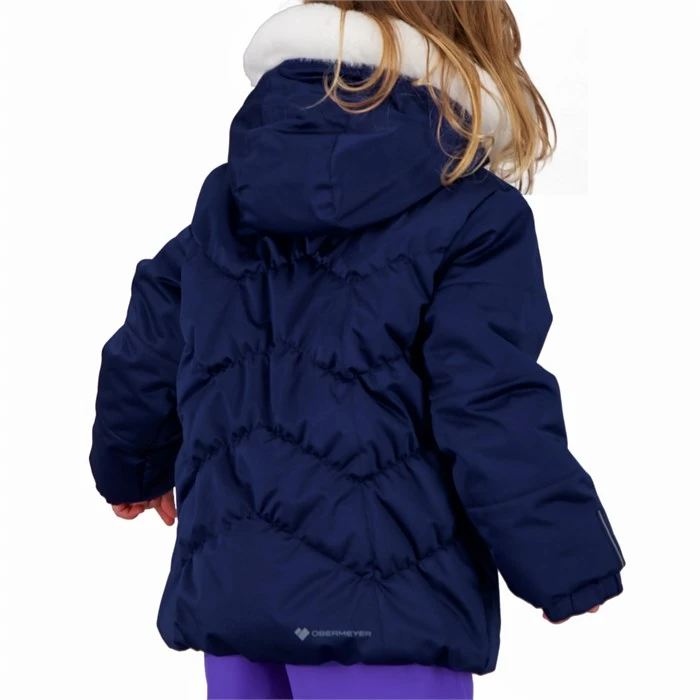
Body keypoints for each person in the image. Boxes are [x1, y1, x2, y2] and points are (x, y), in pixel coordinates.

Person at [89, 2, 625, 698]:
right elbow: (488, 402)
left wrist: (131, 468)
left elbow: (148, 337)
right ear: (473, 44)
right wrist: (564, 557)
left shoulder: (231, 200)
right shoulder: (475, 215)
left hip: (236, 600)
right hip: (387, 615)